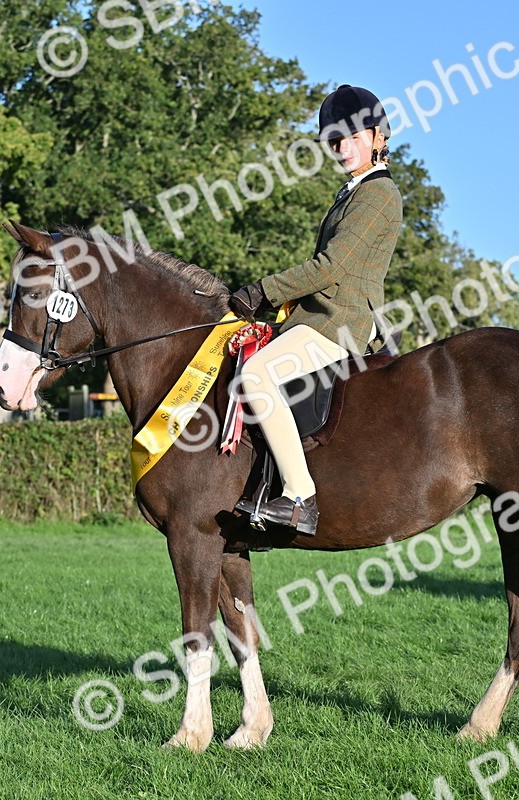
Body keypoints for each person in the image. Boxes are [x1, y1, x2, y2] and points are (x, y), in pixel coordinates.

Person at [228, 85, 404, 535]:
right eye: (334, 141)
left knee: (256, 376)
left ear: (377, 137)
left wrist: (263, 290)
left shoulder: (379, 194)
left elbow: (332, 267)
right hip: (319, 319)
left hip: (338, 325)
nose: (342, 147)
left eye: (351, 137)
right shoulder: (351, 193)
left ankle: (300, 497)